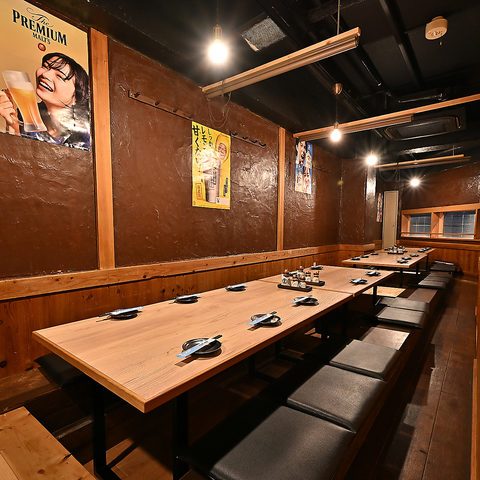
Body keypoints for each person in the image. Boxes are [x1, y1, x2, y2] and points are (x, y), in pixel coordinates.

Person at [0, 52, 90, 150]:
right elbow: (16, 155)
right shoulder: (25, 116)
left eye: (60, 76)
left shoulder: (84, 135)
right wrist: (12, 123)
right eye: (45, 67)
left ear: (76, 97)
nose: (45, 74)